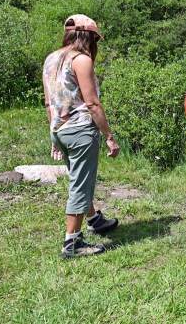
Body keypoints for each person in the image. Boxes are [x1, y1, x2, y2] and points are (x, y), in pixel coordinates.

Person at [43, 14, 121, 258]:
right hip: (80, 130)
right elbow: (92, 103)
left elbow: (48, 103)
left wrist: (54, 133)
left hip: (60, 129)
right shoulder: (81, 60)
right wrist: (109, 135)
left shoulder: (51, 58)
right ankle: (72, 243)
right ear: (89, 37)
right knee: (80, 184)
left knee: (79, 179)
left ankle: (95, 220)